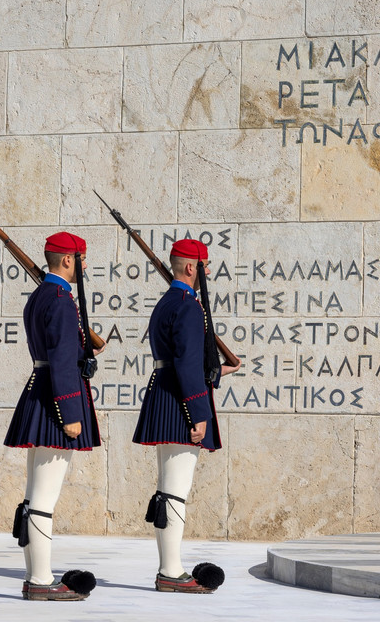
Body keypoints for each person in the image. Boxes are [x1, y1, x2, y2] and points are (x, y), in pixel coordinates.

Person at [133, 238, 240, 593]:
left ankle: (168, 568)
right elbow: (188, 364)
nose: (209, 272)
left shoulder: (167, 302)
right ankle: (171, 571)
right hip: (182, 402)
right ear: (192, 267)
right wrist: (199, 413)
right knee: (175, 492)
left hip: (165, 393)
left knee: (168, 490)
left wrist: (218, 371)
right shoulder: (189, 307)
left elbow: (182, 360)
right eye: (206, 266)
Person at [4, 232, 102, 601]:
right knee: (43, 499)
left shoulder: (41, 296)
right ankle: (42, 581)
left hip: (41, 393)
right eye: (82, 259)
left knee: (34, 497)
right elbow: (61, 360)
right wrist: (71, 413)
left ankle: (36, 577)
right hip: (56, 400)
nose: (85, 266)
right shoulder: (60, 300)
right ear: (67, 260)